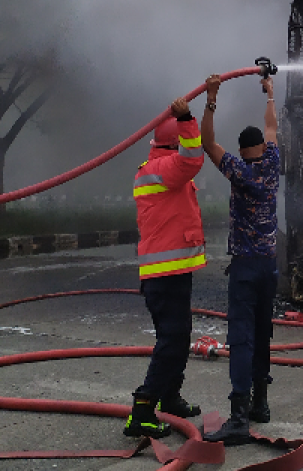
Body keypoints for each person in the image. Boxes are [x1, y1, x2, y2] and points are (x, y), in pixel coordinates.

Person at [201, 73, 281, 446]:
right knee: (263, 332)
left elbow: (206, 143)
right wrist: (269, 94)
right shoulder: (271, 165)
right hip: (270, 266)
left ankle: (238, 415)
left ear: (240, 149)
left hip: (246, 267)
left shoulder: (239, 170)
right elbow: (272, 129)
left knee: (242, 338)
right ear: (262, 148)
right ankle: (261, 404)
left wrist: (211, 98)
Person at [125, 96, 207, 439]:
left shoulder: (158, 168)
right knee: (172, 342)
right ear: (174, 142)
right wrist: (188, 118)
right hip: (165, 275)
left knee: (177, 338)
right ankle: (142, 411)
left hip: (170, 273)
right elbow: (193, 159)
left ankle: (170, 397)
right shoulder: (164, 168)